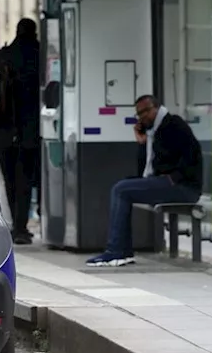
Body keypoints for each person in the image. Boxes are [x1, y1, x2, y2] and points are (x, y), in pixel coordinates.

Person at [86, 94, 203, 267]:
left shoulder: (173, 125)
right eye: (138, 114)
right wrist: (142, 142)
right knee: (122, 189)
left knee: (121, 190)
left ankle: (116, 251)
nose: (141, 117)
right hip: (166, 182)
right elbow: (145, 169)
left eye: (143, 112)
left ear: (154, 108)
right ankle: (122, 252)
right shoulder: (154, 130)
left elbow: (192, 154)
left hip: (182, 187)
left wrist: (174, 178)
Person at [0, 18, 42, 244]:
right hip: (32, 131)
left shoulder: (1, 57)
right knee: (27, 178)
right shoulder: (39, 56)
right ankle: (21, 226)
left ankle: (17, 226)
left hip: (5, 131)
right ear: (34, 32)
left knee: (10, 181)